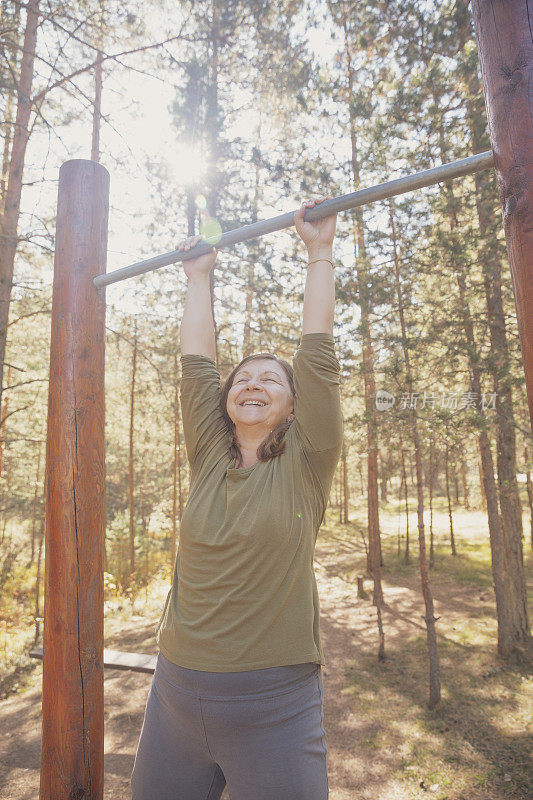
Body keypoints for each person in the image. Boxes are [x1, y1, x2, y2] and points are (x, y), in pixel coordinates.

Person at [131, 196, 344, 800]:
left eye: (270, 379)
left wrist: (320, 252)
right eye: (243, 378)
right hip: (174, 693)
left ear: (294, 404)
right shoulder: (208, 459)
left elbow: (318, 356)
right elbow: (197, 367)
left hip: (274, 704)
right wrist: (198, 276)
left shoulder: (307, 462)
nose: (252, 383)